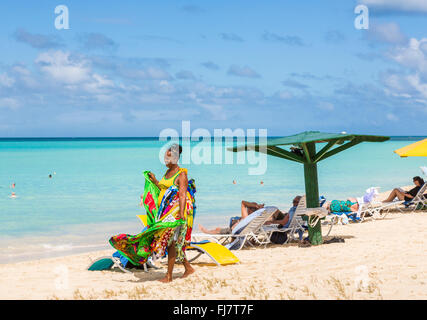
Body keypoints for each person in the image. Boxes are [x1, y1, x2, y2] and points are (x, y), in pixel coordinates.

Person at [148, 144, 195, 283]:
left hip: (177, 211)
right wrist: (155, 180)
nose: (165, 159)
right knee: (174, 243)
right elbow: (164, 188)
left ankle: (168, 276)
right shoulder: (167, 173)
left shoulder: (181, 174)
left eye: (167, 156)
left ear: (175, 158)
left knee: (171, 242)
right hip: (166, 211)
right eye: (165, 156)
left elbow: (181, 194)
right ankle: (188, 268)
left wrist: (181, 213)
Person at [198, 200, 264, 235]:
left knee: (217, 229)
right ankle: (207, 231)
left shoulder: (246, 218)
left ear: (250, 210)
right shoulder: (255, 218)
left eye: (248, 208)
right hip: (244, 231)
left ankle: (206, 232)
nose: (246, 209)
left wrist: (256, 205)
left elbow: (243, 202)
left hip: (234, 231)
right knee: (235, 220)